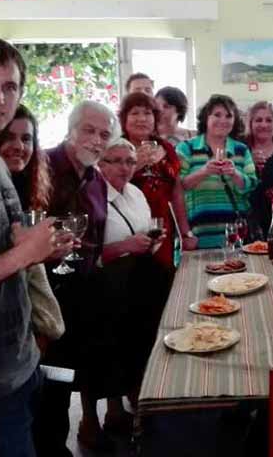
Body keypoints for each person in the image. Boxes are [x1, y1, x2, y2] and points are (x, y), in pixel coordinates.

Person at [0, 37, 59, 456]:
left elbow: (13, 244)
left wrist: (39, 246)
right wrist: (25, 252)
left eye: (9, 87)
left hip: (22, 361)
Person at [37, 100, 119, 455]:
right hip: (45, 293)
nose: (96, 140)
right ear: (70, 129)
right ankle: (52, 446)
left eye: (104, 134)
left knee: (81, 367)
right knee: (51, 381)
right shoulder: (41, 166)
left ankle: (85, 428)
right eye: (89, 130)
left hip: (82, 290)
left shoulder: (96, 180)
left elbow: (95, 239)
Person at [81, 139, 167, 447]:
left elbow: (142, 235)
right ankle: (88, 420)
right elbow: (85, 252)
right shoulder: (91, 196)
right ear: (99, 165)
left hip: (132, 284)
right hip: (101, 286)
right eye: (114, 160)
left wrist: (150, 242)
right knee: (97, 353)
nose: (123, 167)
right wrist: (127, 246)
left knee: (124, 348)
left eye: (130, 161)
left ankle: (116, 412)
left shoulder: (136, 193)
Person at [0, 106, 66, 357]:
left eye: (26, 138)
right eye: (8, 137)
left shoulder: (25, 187)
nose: (19, 146)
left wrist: (50, 251)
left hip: (29, 327)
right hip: (1, 331)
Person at [177, 94, 257, 250]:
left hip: (236, 234)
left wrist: (235, 174)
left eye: (229, 116)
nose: (223, 120)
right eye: (217, 115)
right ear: (206, 118)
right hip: (198, 234)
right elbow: (178, 187)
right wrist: (203, 171)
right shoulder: (186, 148)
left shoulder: (241, 149)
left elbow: (251, 185)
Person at [119, 92, 188, 266]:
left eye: (147, 113)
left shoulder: (166, 148)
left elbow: (177, 193)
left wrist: (185, 232)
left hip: (163, 227)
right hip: (128, 230)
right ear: (124, 119)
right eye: (135, 113)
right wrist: (134, 167)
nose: (142, 119)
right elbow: (105, 189)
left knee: (165, 281)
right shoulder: (116, 148)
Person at [245, 101, 273, 239]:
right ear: (250, 124)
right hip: (245, 218)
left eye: (269, 120)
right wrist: (247, 163)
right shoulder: (240, 148)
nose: (264, 125)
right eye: (258, 120)